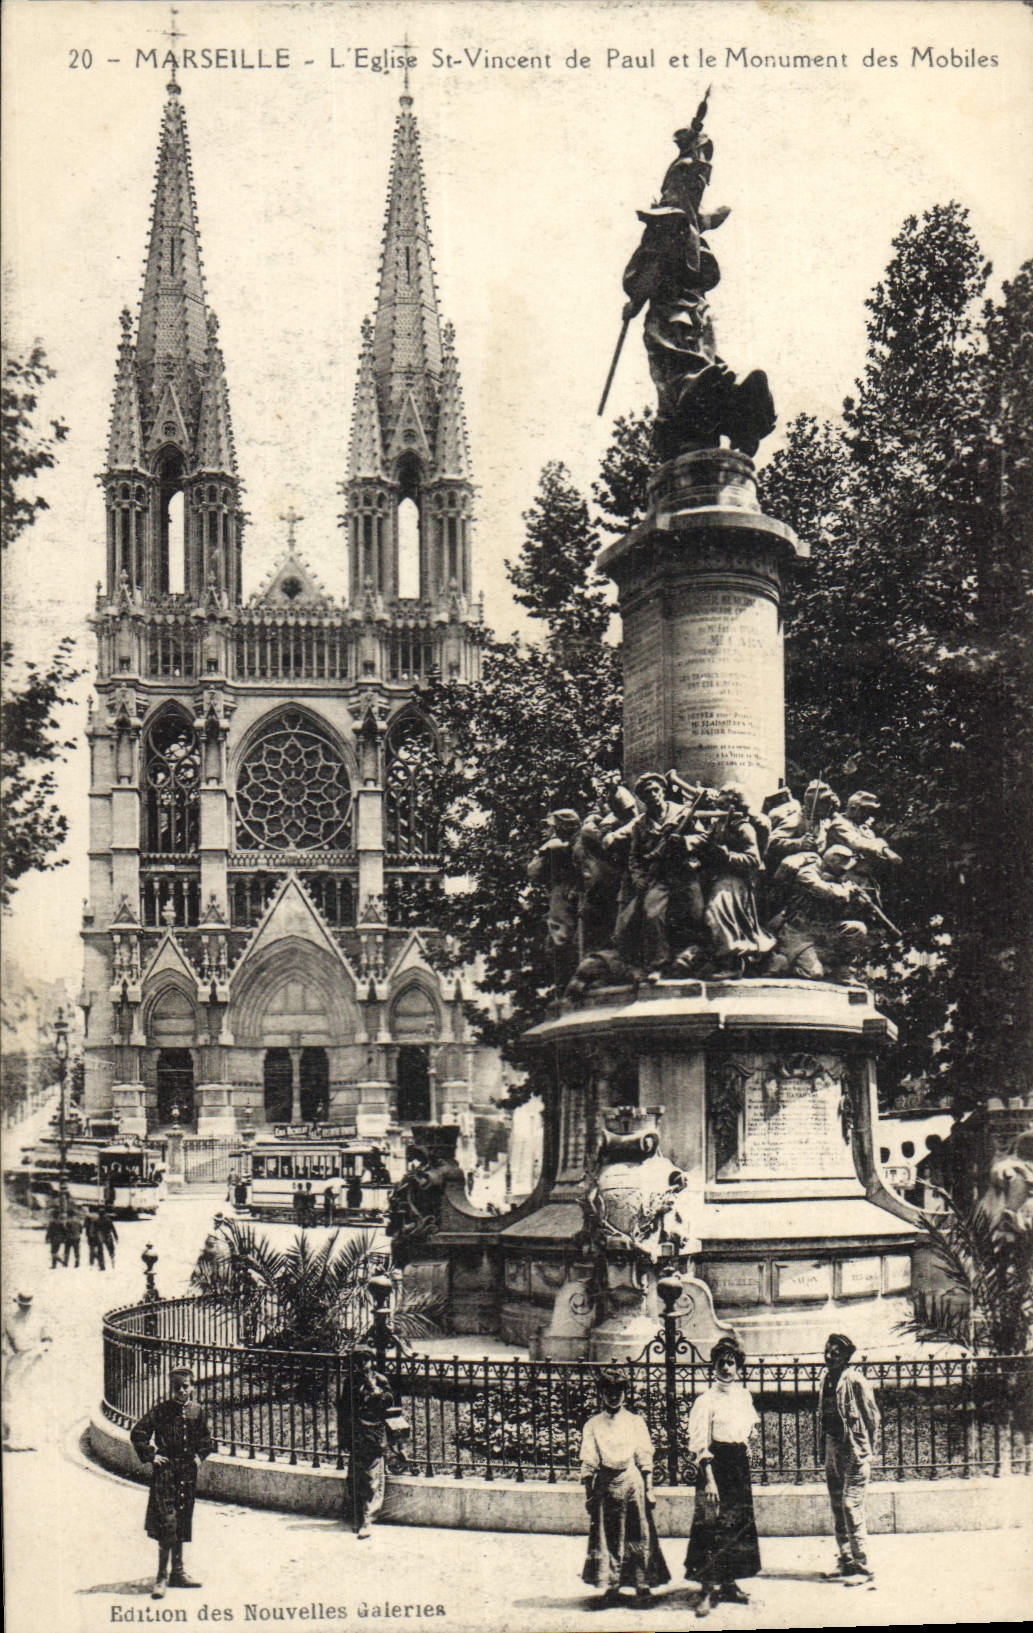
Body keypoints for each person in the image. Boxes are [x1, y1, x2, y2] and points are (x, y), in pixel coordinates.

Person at [684, 1336, 761, 1617]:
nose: (726, 1368)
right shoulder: (705, 1401)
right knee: (711, 1527)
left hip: (738, 1467)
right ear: (713, 1366)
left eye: (731, 1363)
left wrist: (748, 1439)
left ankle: (728, 1583)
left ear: (738, 1366)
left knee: (736, 1525)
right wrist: (710, 1480)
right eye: (721, 1363)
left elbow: (751, 1423)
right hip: (716, 1468)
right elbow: (700, 1444)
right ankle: (706, 1589)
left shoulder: (743, 1395)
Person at [579, 1367, 670, 1607]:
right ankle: (612, 1585)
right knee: (609, 1536)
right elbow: (589, 1461)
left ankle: (642, 1584)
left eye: (618, 1390)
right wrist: (589, 1495)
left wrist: (649, 1488)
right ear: (601, 1393)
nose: (613, 1396)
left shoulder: (635, 1422)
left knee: (638, 1532)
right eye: (608, 1391)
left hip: (632, 1481)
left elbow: (644, 1455)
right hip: (606, 1484)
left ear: (625, 1393)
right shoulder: (593, 1425)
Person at [130, 1365, 214, 1598]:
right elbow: (139, 1433)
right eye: (177, 1387)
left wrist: (199, 1457)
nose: (181, 1391)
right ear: (171, 1389)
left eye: (185, 1386)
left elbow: (206, 1440)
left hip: (187, 1474)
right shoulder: (161, 1411)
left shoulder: (198, 1411)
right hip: (166, 1474)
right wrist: (151, 1455)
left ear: (193, 1387)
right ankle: (161, 1577)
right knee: (167, 1523)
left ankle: (178, 1572)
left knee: (182, 1520)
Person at [818, 1333, 881, 1586]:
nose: (830, 1356)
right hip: (833, 1448)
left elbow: (872, 1417)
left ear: (846, 1357)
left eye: (836, 1353)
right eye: (827, 1350)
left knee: (850, 1507)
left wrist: (868, 1450)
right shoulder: (825, 1380)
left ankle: (862, 1566)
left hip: (854, 1451)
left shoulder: (855, 1380)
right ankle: (845, 1562)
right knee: (837, 1506)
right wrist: (823, 1449)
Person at [768, 845, 869, 982]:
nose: (843, 872)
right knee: (814, 973)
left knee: (857, 929)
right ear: (833, 860)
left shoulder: (835, 877)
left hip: (824, 929)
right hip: (799, 931)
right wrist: (845, 890)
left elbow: (841, 906)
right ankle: (784, 965)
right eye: (842, 867)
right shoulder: (807, 872)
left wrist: (858, 899)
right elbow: (824, 891)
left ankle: (841, 970)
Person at [336, 1346, 394, 1538]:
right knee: (354, 1476)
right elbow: (344, 1410)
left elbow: (388, 1403)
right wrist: (344, 1437)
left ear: (371, 1361)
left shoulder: (380, 1381)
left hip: (373, 1434)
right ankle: (357, 1514)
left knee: (371, 1478)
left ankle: (367, 1518)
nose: (361, 1365)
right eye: (357, 1361)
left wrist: (374, 1389)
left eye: (365, 1360)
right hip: (356, 1433)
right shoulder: (350, 1383)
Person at [2, 1291, 52, 1451]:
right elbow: (6, 1341)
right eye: (23, 1306)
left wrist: (40, 1350)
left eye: (27, 1306)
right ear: (18, 1304)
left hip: (34, 1362)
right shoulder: (10, 1320)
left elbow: (47, 1339)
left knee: (32, 1398)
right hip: (17, 1362)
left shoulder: (39, 1319)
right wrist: (10, 1351)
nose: (25, 1309)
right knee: (13, 1398)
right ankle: (13, 1435)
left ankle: (31, 1436)